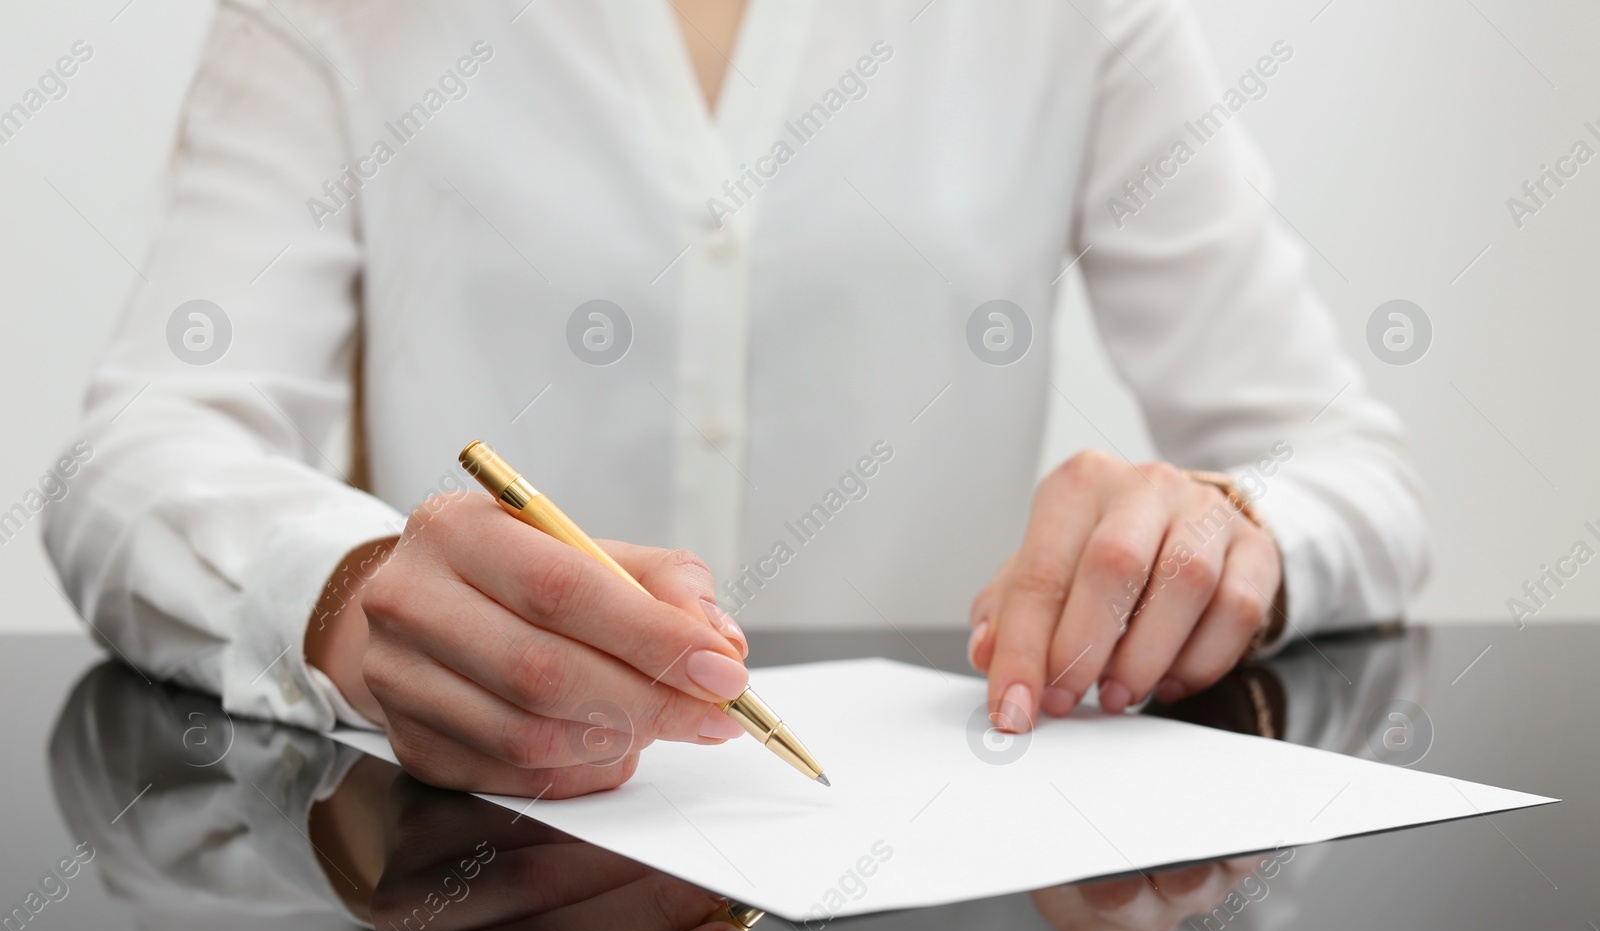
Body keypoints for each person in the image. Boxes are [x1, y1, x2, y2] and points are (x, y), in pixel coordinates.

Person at [46, 0, 1428, 805]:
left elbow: (1350, 471)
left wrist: (1229, 531)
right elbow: (136, 456)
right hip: (480, 901)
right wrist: (343, 594)